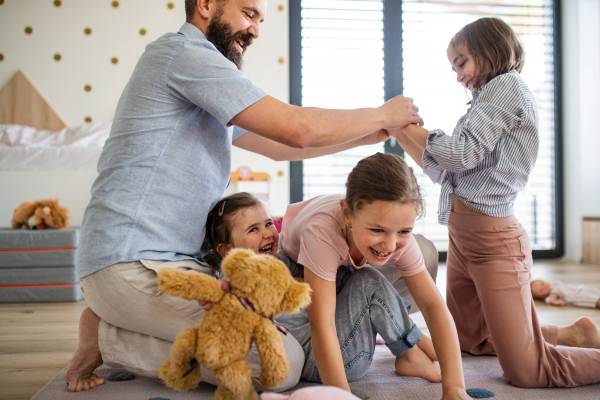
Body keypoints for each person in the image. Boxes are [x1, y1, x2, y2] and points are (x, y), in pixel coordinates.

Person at [65, 0, 425, 393]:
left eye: (260, 20)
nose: (255, 30)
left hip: (183, 268)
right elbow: (297, 129)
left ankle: (121, 320)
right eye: (248, 14)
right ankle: (108, 336)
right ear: (205, 4)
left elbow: (283, 147)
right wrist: (381, 113)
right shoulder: (183, 54)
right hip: (130, 263)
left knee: (279, 324)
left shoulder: (204, 78)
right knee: (284, 365)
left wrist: (368, 135)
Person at [391, 17, 600, 388]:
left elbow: (459, 154)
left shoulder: (506, 87)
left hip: (493, 242)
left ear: (489, 51)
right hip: (463, 236)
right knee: (469, 339)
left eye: (462, 62)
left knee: (529, 371)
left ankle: (566, 347)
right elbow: (448, 173)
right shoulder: (486, 99)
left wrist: (408, 126)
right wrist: (397, 129)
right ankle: (570, 333)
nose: (458, 76)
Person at [274, 153, 471, 399]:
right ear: (347, 215)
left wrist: (455, 389)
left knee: (369, 279)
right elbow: (321, 322)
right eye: (377, 230)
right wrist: (341, 396)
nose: (390, 244)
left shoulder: (393, 232)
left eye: (404, 231)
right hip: (313, 344)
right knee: (368, 281)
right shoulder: (322, 232)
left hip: (337, 284)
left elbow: (433, 305)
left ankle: (409, 352)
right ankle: (412, 346)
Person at [531, 279, 600, 309]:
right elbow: (552, 299)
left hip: (579, 290)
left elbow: (554, 294)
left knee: (595, 293)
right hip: (578, 296)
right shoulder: (553, 293)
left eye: (542, 284)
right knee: (594, 300)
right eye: (541, 290)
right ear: (542, 297)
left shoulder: (554, 285)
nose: (544, 287)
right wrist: (554, 301)